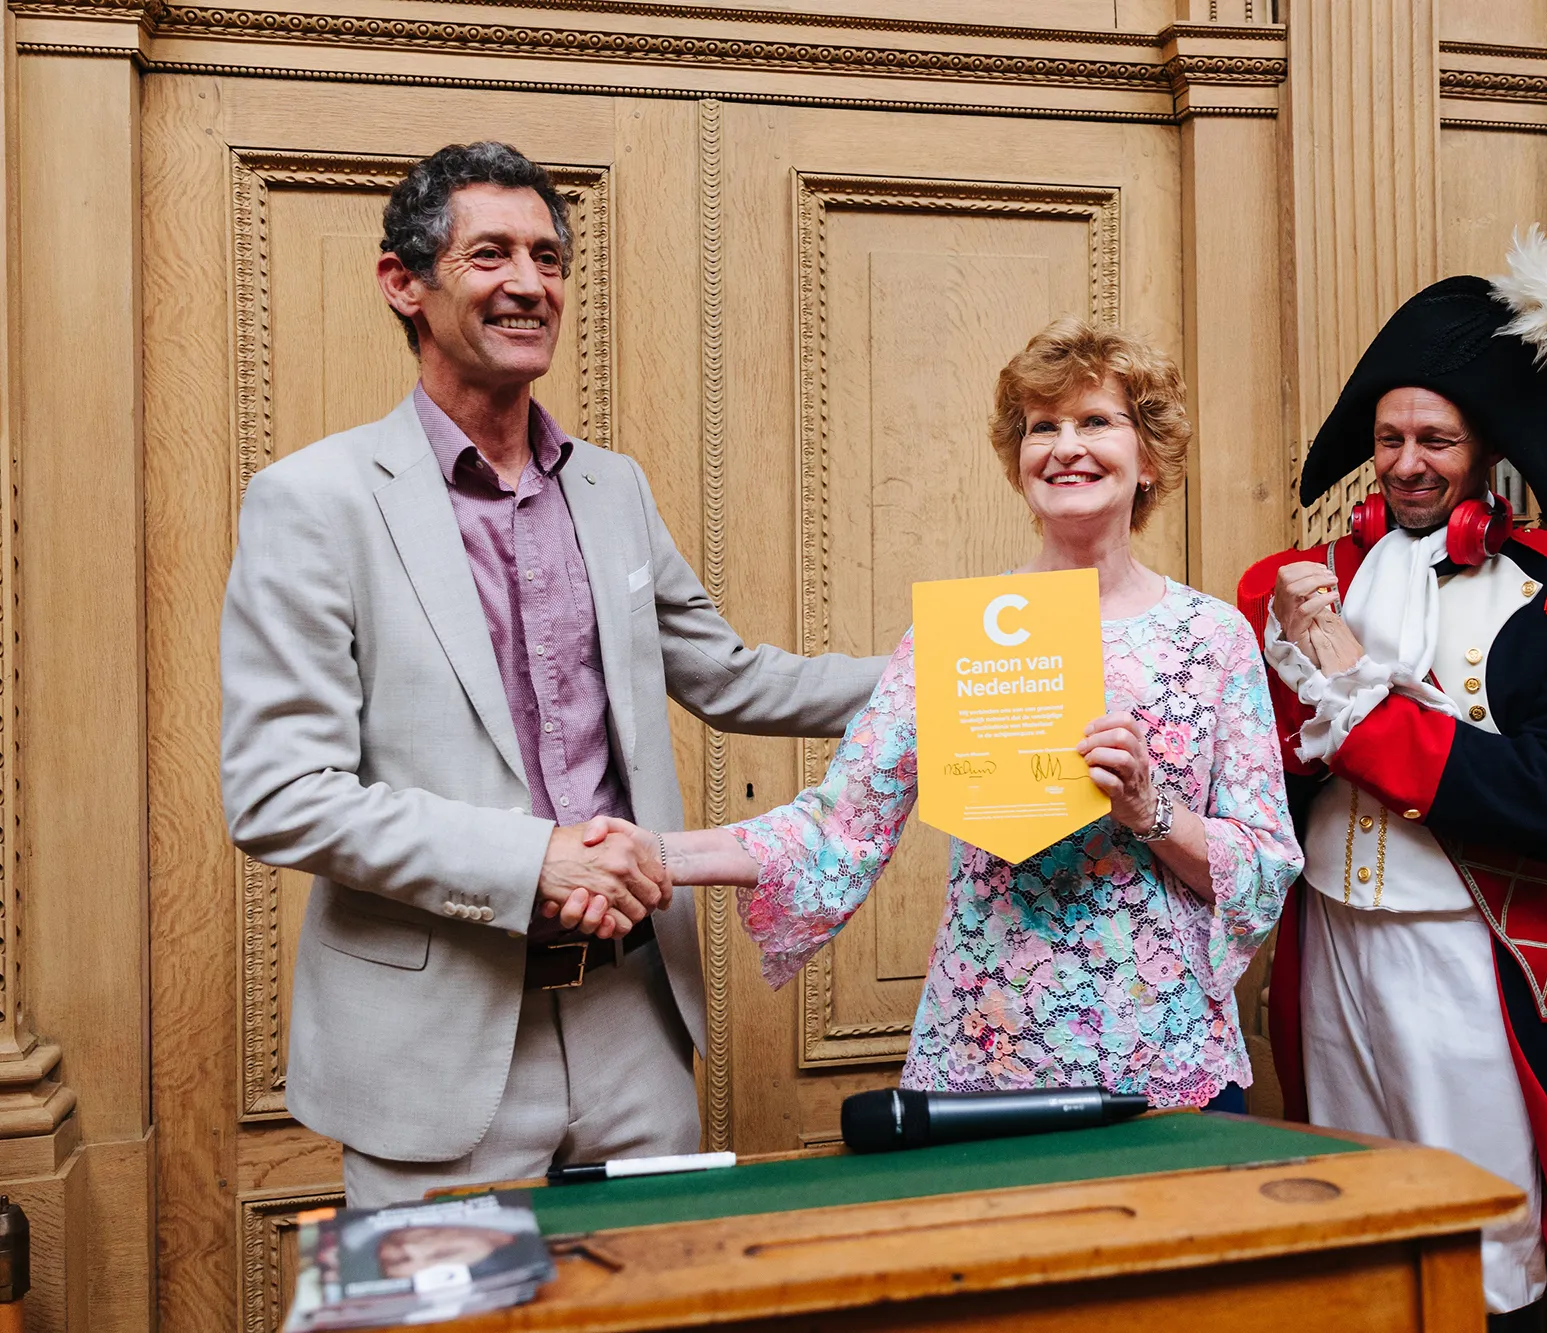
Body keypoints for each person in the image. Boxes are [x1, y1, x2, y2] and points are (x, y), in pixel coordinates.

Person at [218, 141, 884, 1207]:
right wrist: (534, 861)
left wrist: (958, 673)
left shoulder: (612, 488)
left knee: (663, 1310)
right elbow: (279, 796)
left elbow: (730, 676)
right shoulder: (315, 501)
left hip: (637, 1021)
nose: (529, 283)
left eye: (548, 257)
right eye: (489, 255)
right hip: (437, 1053)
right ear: (405, 283)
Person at [629, 318, 1303, 1109]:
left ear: (1148, 456)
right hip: (991, 1053)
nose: (1065, 445)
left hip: (1165, 1052)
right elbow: (838, 825)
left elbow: (1265, 860)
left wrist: (1151, 811)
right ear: (1019, 464)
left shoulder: (1214, 637)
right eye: (1041, 427)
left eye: (1095, 422)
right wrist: (656, 854)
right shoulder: (960, 636)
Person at [1235, 227, 1547, 1327]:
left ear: (1485, 450)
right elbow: (1258, 768)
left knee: (1481, 1227)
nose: (1406, 461)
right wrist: (1295, 678)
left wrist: (1366, 712)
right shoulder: (1299, 588)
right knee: (1349, 1206)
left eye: (1435, 437)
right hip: (1326, 938)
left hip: (1462, 946)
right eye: (1387, 438)